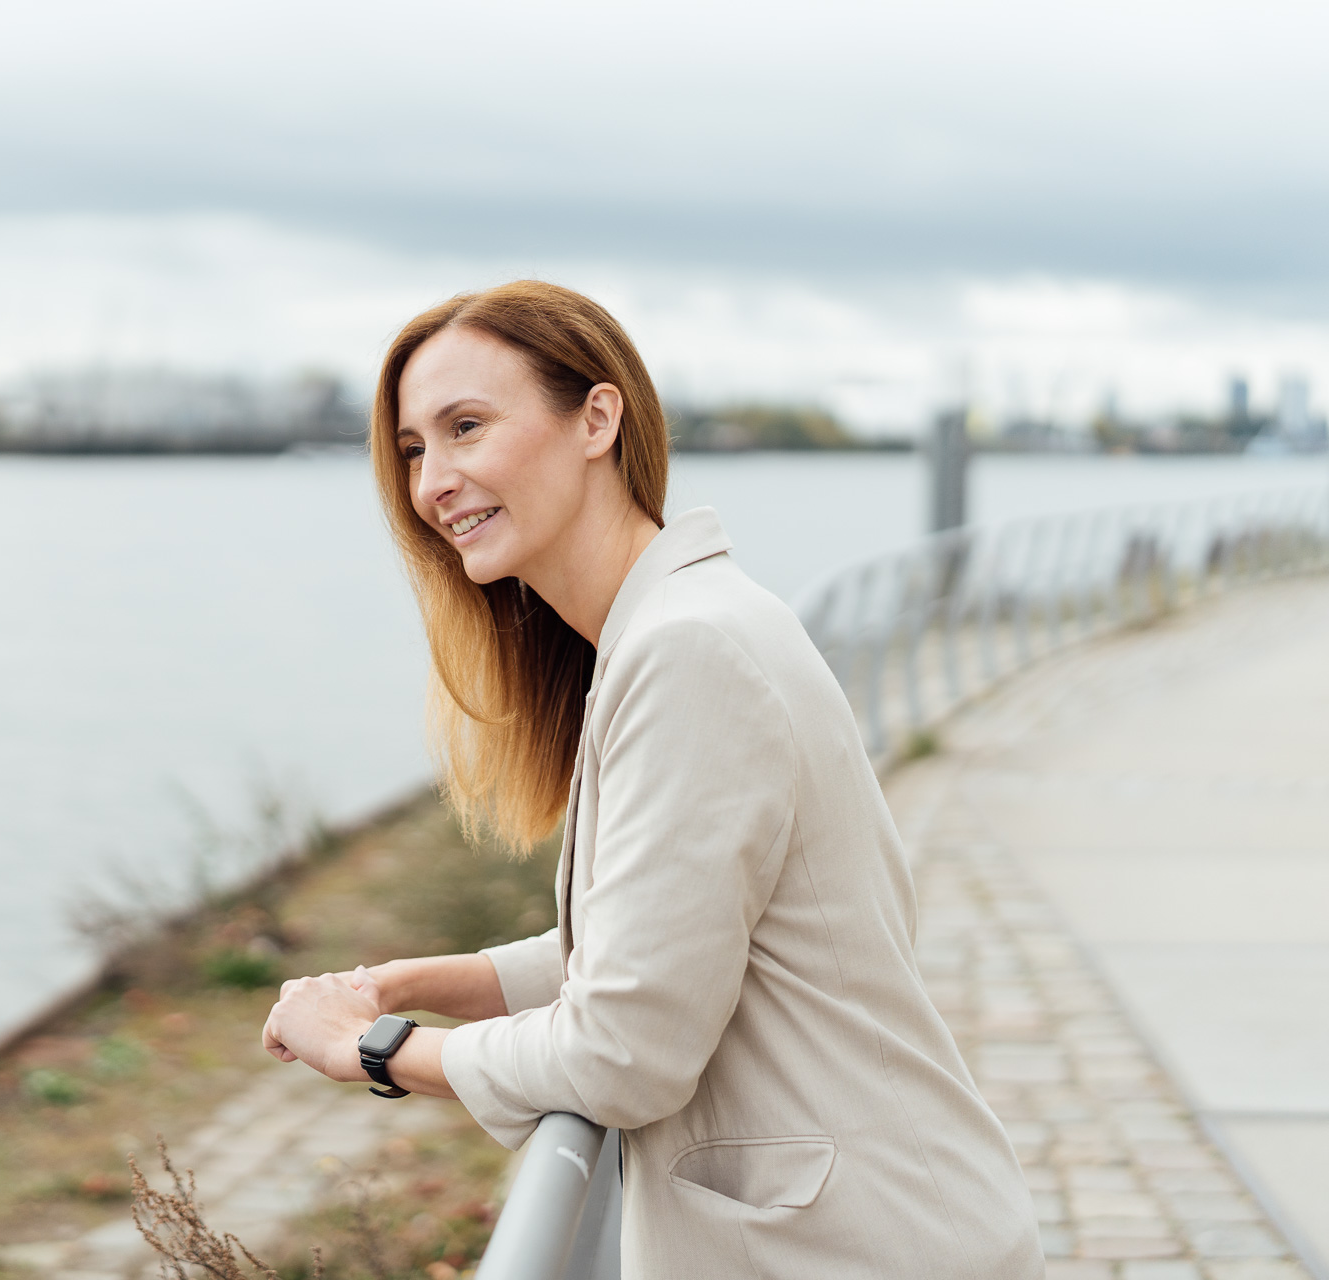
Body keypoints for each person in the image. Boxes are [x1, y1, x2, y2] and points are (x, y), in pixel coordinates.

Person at [261, 281, 1042, 1277]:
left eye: (467, 426)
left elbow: (622, 1049)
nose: (433, 482)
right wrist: (412, 982)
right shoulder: (671, 629)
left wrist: (373, 1046)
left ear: (597, 416)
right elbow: (653, 936)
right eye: (415, 448)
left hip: (859, 1243)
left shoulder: (691, 651)